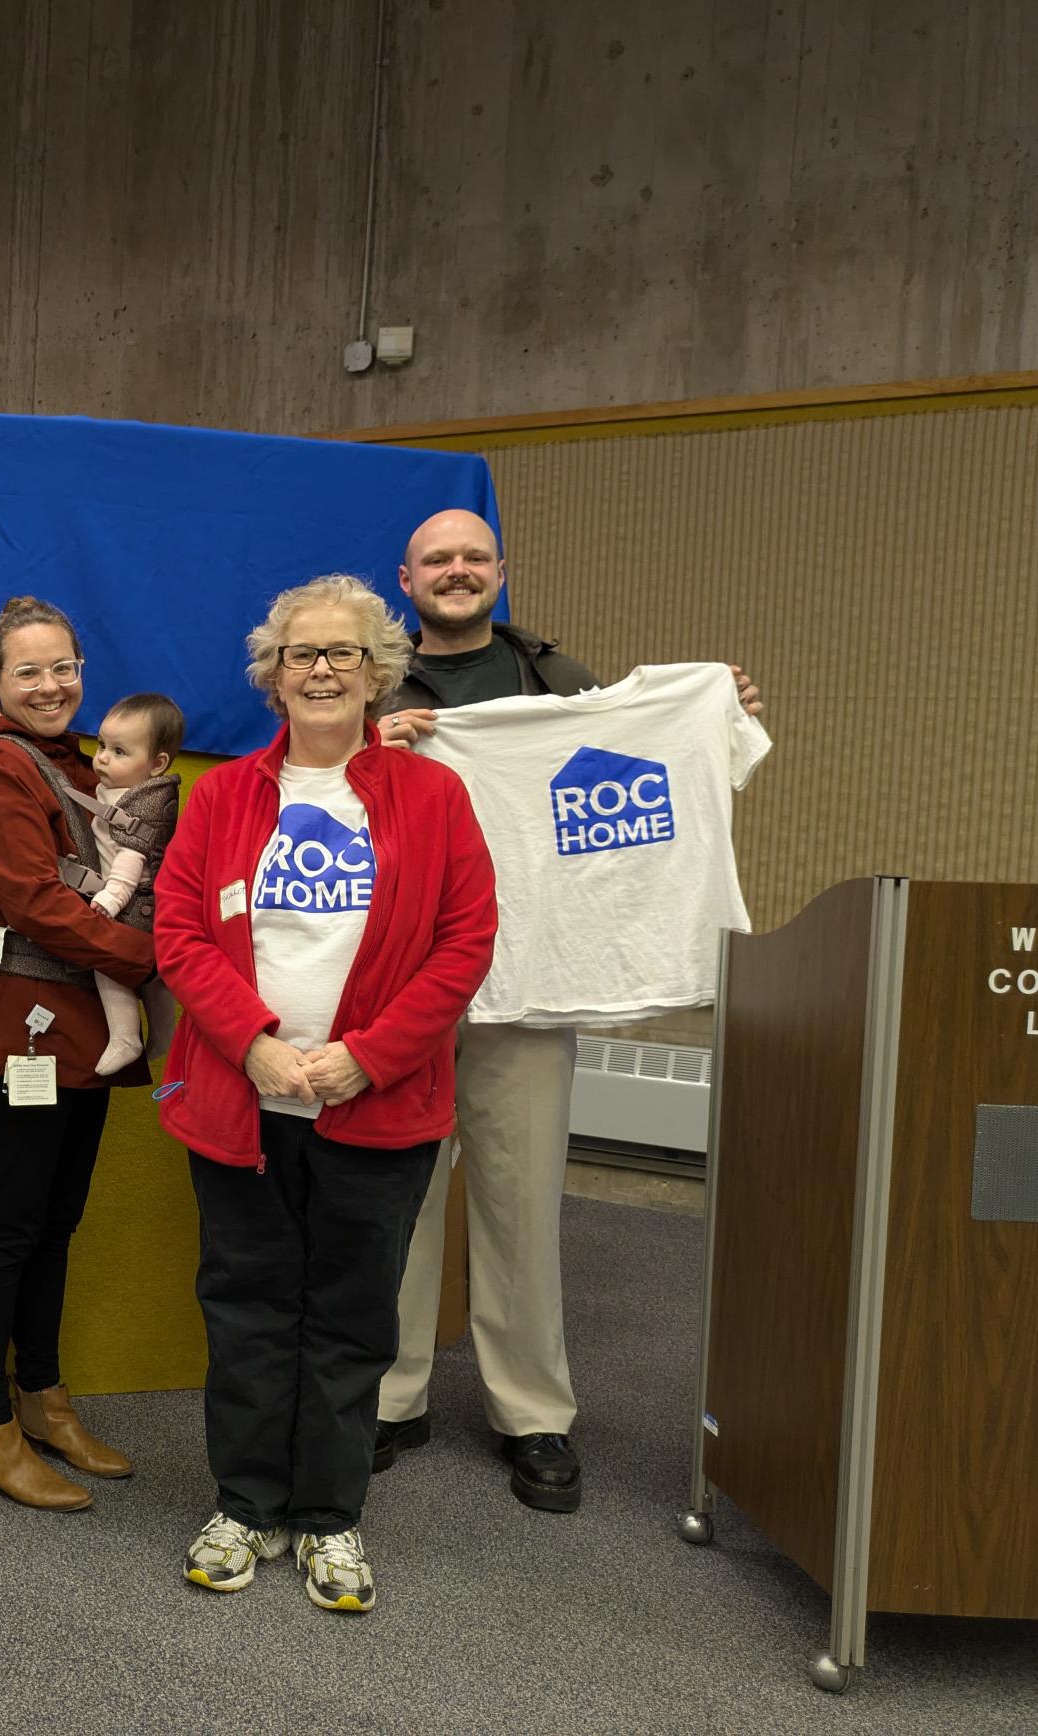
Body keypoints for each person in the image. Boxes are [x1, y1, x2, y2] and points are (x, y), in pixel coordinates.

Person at [371, 508, 763, 1514]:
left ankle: (531, 1411)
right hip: (399, 984)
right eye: (435, 561)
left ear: (499, 572)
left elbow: (669, 781)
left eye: (471, 557)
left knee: (520, 1198)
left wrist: (712, 709)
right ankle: (388, 1391)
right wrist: (375, 749)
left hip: (529, 983)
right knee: (394, 1197)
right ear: (404, 579)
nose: (455, 572)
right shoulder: (369, 678)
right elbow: (310, 788)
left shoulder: (565, 684)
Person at [157, 575, 496, 1612]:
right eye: (299, 653)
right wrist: (253, 1043)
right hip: (241, 1102)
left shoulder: (430, 796)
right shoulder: (221, 796)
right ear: (271, 673)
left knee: (351, 1316)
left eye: (339, 653)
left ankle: (328, 1514)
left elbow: (464, 940)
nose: (317, 669)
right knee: (248, 1308)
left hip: (375, 1105)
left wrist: (371, 1054)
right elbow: (175, 927)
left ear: (376, 671)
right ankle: (246, 1501)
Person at [0, 596, 149, 1512]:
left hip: (84, 1033)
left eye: (62, 667)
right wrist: (156, 958)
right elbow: (33, 901)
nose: (50, 684)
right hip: (18, 1028)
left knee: (57, 1220)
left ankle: (41, 1397)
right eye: (28, 671)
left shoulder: (83, 765)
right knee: (8, 1225)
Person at [85, 691, 184, 1074]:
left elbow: (130, 860)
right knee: (155, 979)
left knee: (107, 964)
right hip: (149, 908)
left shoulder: (143, 803)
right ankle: (163, 1034)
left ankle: (126, 1036)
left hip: (132, 904)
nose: (103, 757)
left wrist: (111, 898)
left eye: (120, 751)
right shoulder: (128, 790)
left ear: (156, 764)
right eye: (101, 745)